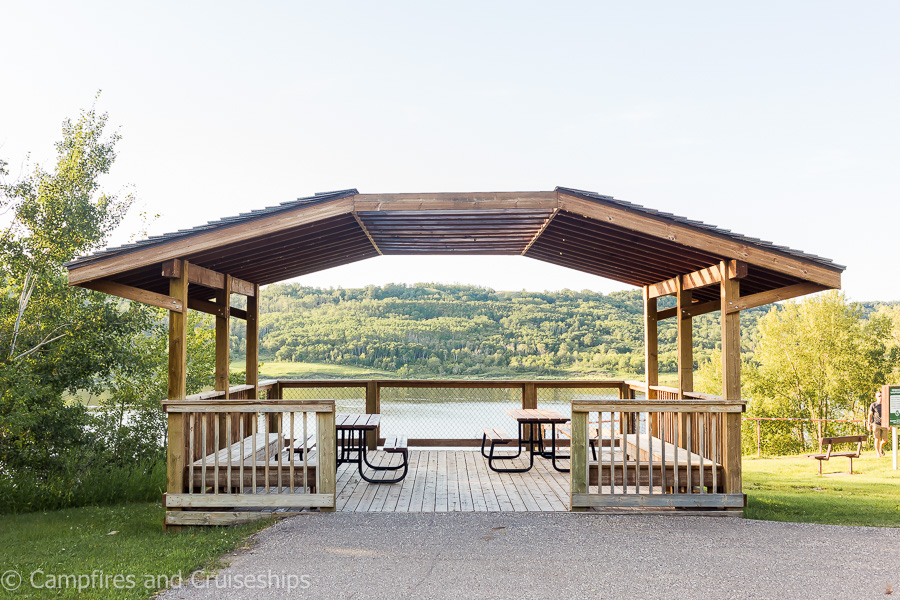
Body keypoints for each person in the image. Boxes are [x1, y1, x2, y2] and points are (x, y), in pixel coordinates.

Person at [867, 390, 888, 458]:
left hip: (884, 424)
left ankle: (880, 448)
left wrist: (889, 425)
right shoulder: (873, 405)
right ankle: (878, 453)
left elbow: (888, 414)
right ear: (876, 397)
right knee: (877, 438)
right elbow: (870, 415)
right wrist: (868, 424)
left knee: (885, 440)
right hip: (876, 424)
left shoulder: (885, 404)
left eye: (881, 396)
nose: (880, 397)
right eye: (879, 396)